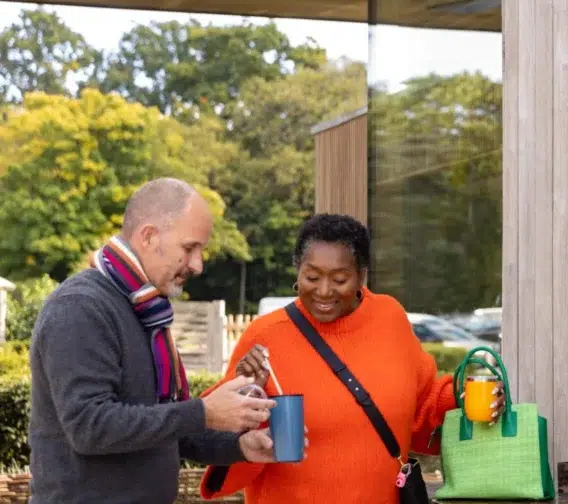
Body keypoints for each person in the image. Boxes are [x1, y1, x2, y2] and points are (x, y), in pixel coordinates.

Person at [199, 213, 504, 503]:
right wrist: (248, 392)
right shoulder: (265, 336)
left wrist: (466, 397)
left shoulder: (389, 318)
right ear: (297, 270)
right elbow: (214, 436)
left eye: (340, 278)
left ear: (361, 276)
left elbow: (422, 407)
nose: (324, 290)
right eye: (312, 276)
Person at [29, 178, 281, 504]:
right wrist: (202, 412)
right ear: (148, 236)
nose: (197, 265)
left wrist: (239, 447)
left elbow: (163, 427)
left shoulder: (145, 309)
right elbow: (90, 427)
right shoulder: (80, 307)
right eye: (190, 248)